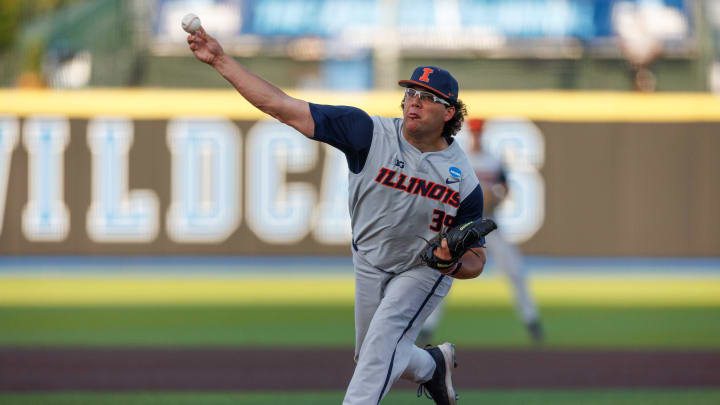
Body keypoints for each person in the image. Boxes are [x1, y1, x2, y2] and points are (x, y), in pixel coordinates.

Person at [187, 26, 487, 405]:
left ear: (448, 112)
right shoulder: (368, 133)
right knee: (373, 356)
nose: (414, 101)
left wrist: (449, 265)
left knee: (378, 353)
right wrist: (220, 60)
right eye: (411, 92)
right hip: (369, 260)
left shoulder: (464, 179)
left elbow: (476, 259)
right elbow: (281, 105)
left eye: (428, 97)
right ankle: (431, 366)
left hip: (422, 268)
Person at [418, 118, 544, 346]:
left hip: (488, 224)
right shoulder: (460, 158)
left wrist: (495, 198)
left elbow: (505, 189)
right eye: (474, 132)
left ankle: (532, 321)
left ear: (483, 133)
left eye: (479, 131)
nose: (477, 135)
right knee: (441, 275)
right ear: (470, 133)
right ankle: (427, 328)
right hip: (461, 226)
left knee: (515, 270)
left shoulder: (493, 160)